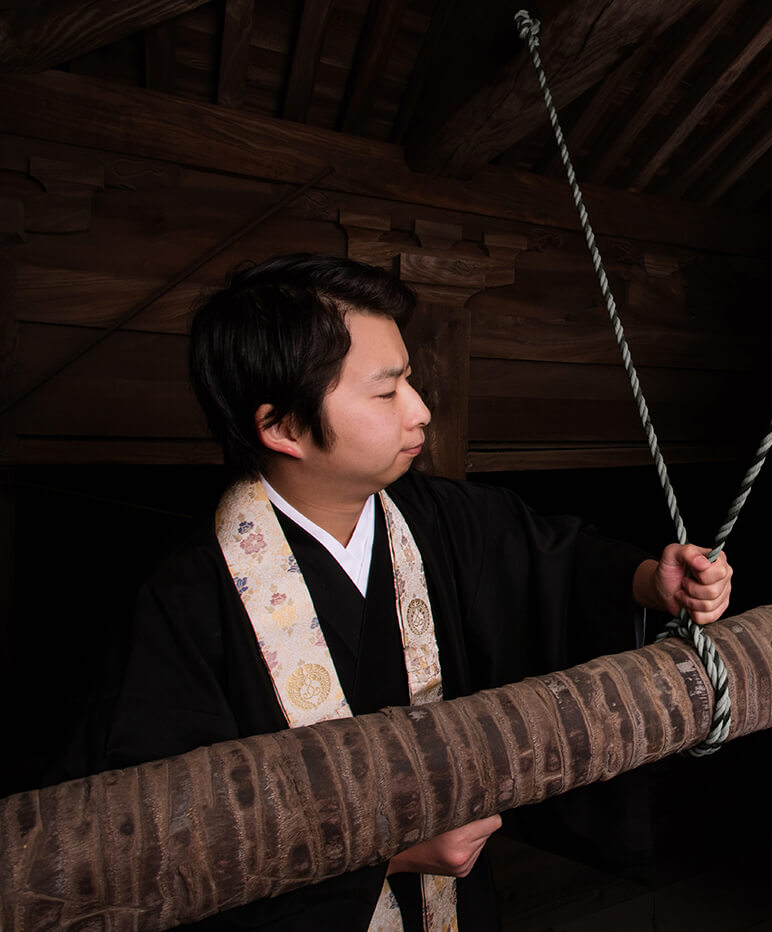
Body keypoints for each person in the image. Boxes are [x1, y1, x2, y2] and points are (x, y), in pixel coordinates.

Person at [84, 254, 733, 931]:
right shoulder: (183, 600)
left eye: (411, 381)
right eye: (387, 391)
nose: (420, 411)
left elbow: (555, 566)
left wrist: (647, 582)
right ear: (281, 428)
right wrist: (385, 858)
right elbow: (170, 839)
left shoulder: (438, 518)